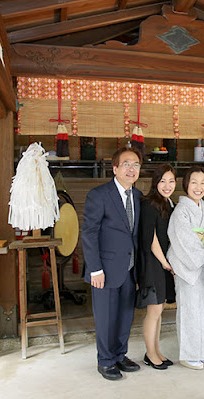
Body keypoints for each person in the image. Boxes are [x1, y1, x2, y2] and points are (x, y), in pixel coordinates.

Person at [82, 147, 143, 381]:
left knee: (125, 315)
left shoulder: (137, 196)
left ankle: (119, 355)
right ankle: (105, 360)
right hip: (104, 270)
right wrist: (95, 268)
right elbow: (89, 233)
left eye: (136, 164)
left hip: (129, 268)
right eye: (126, 164)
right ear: (115, 168)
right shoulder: (99, 195)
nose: (131, 169)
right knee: (106, 317)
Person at [167, 166, 204, 370]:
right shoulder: (180, 211)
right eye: (194, 182)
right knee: (189, 311)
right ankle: (188, 354)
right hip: (189, 268)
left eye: (203, 182)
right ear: (186, 184)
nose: (199, 187)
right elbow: (183, 240)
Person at [136, 164, 176, 370]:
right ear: (155, 183)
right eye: (162, 181)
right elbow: (149, 237)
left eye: (171, 181)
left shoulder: (170, 204)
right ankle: (150, 354)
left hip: (164, 263)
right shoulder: (149, 203)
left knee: (159, 309)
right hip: (153, 263)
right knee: (154, 311)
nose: (167, 185)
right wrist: (164, 262)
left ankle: (156, 350)